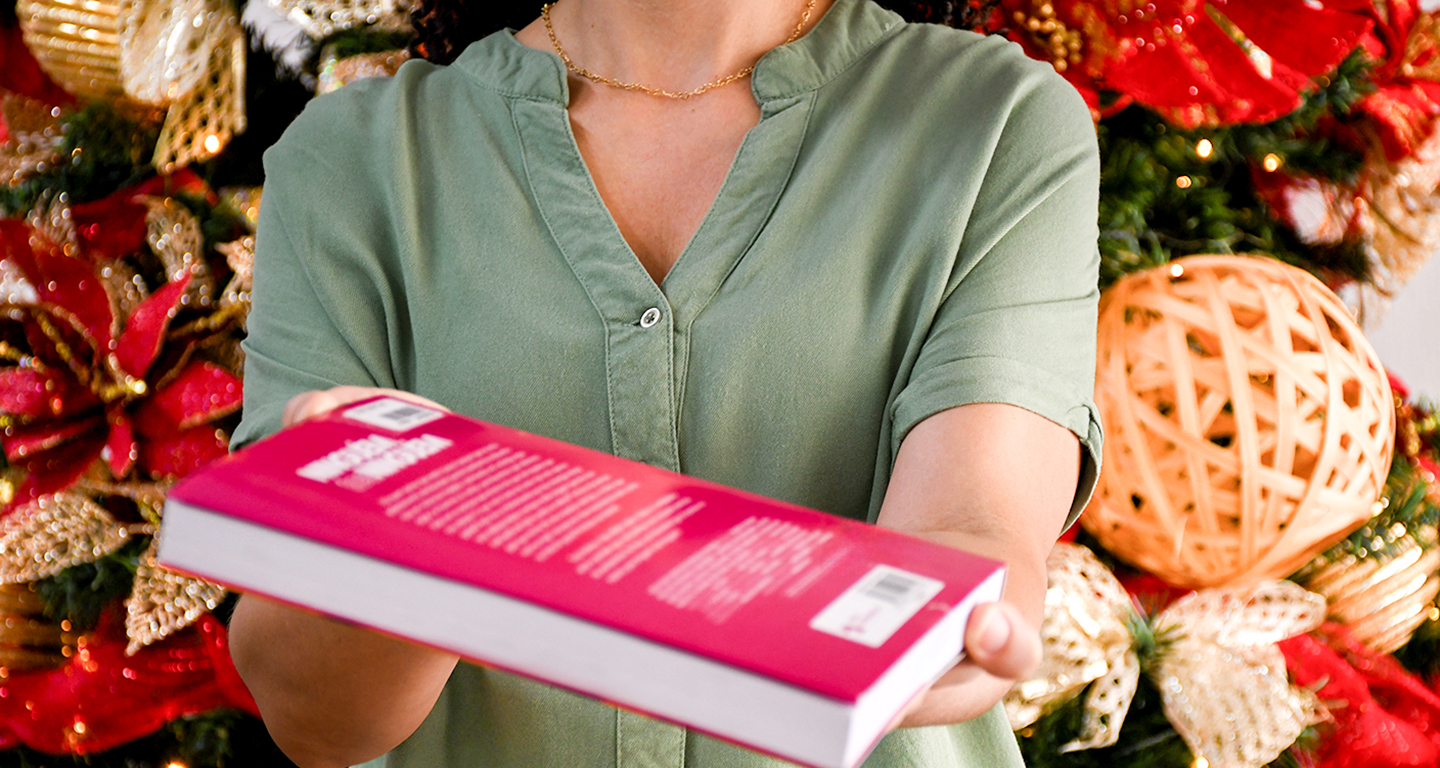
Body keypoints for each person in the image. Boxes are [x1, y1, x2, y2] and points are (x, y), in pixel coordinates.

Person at [224, 0, 1103, 765]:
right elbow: (315, 723)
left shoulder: (994, 122)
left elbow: (973, 522)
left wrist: (939, 626)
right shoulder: (350, 164)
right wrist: (410, 546)